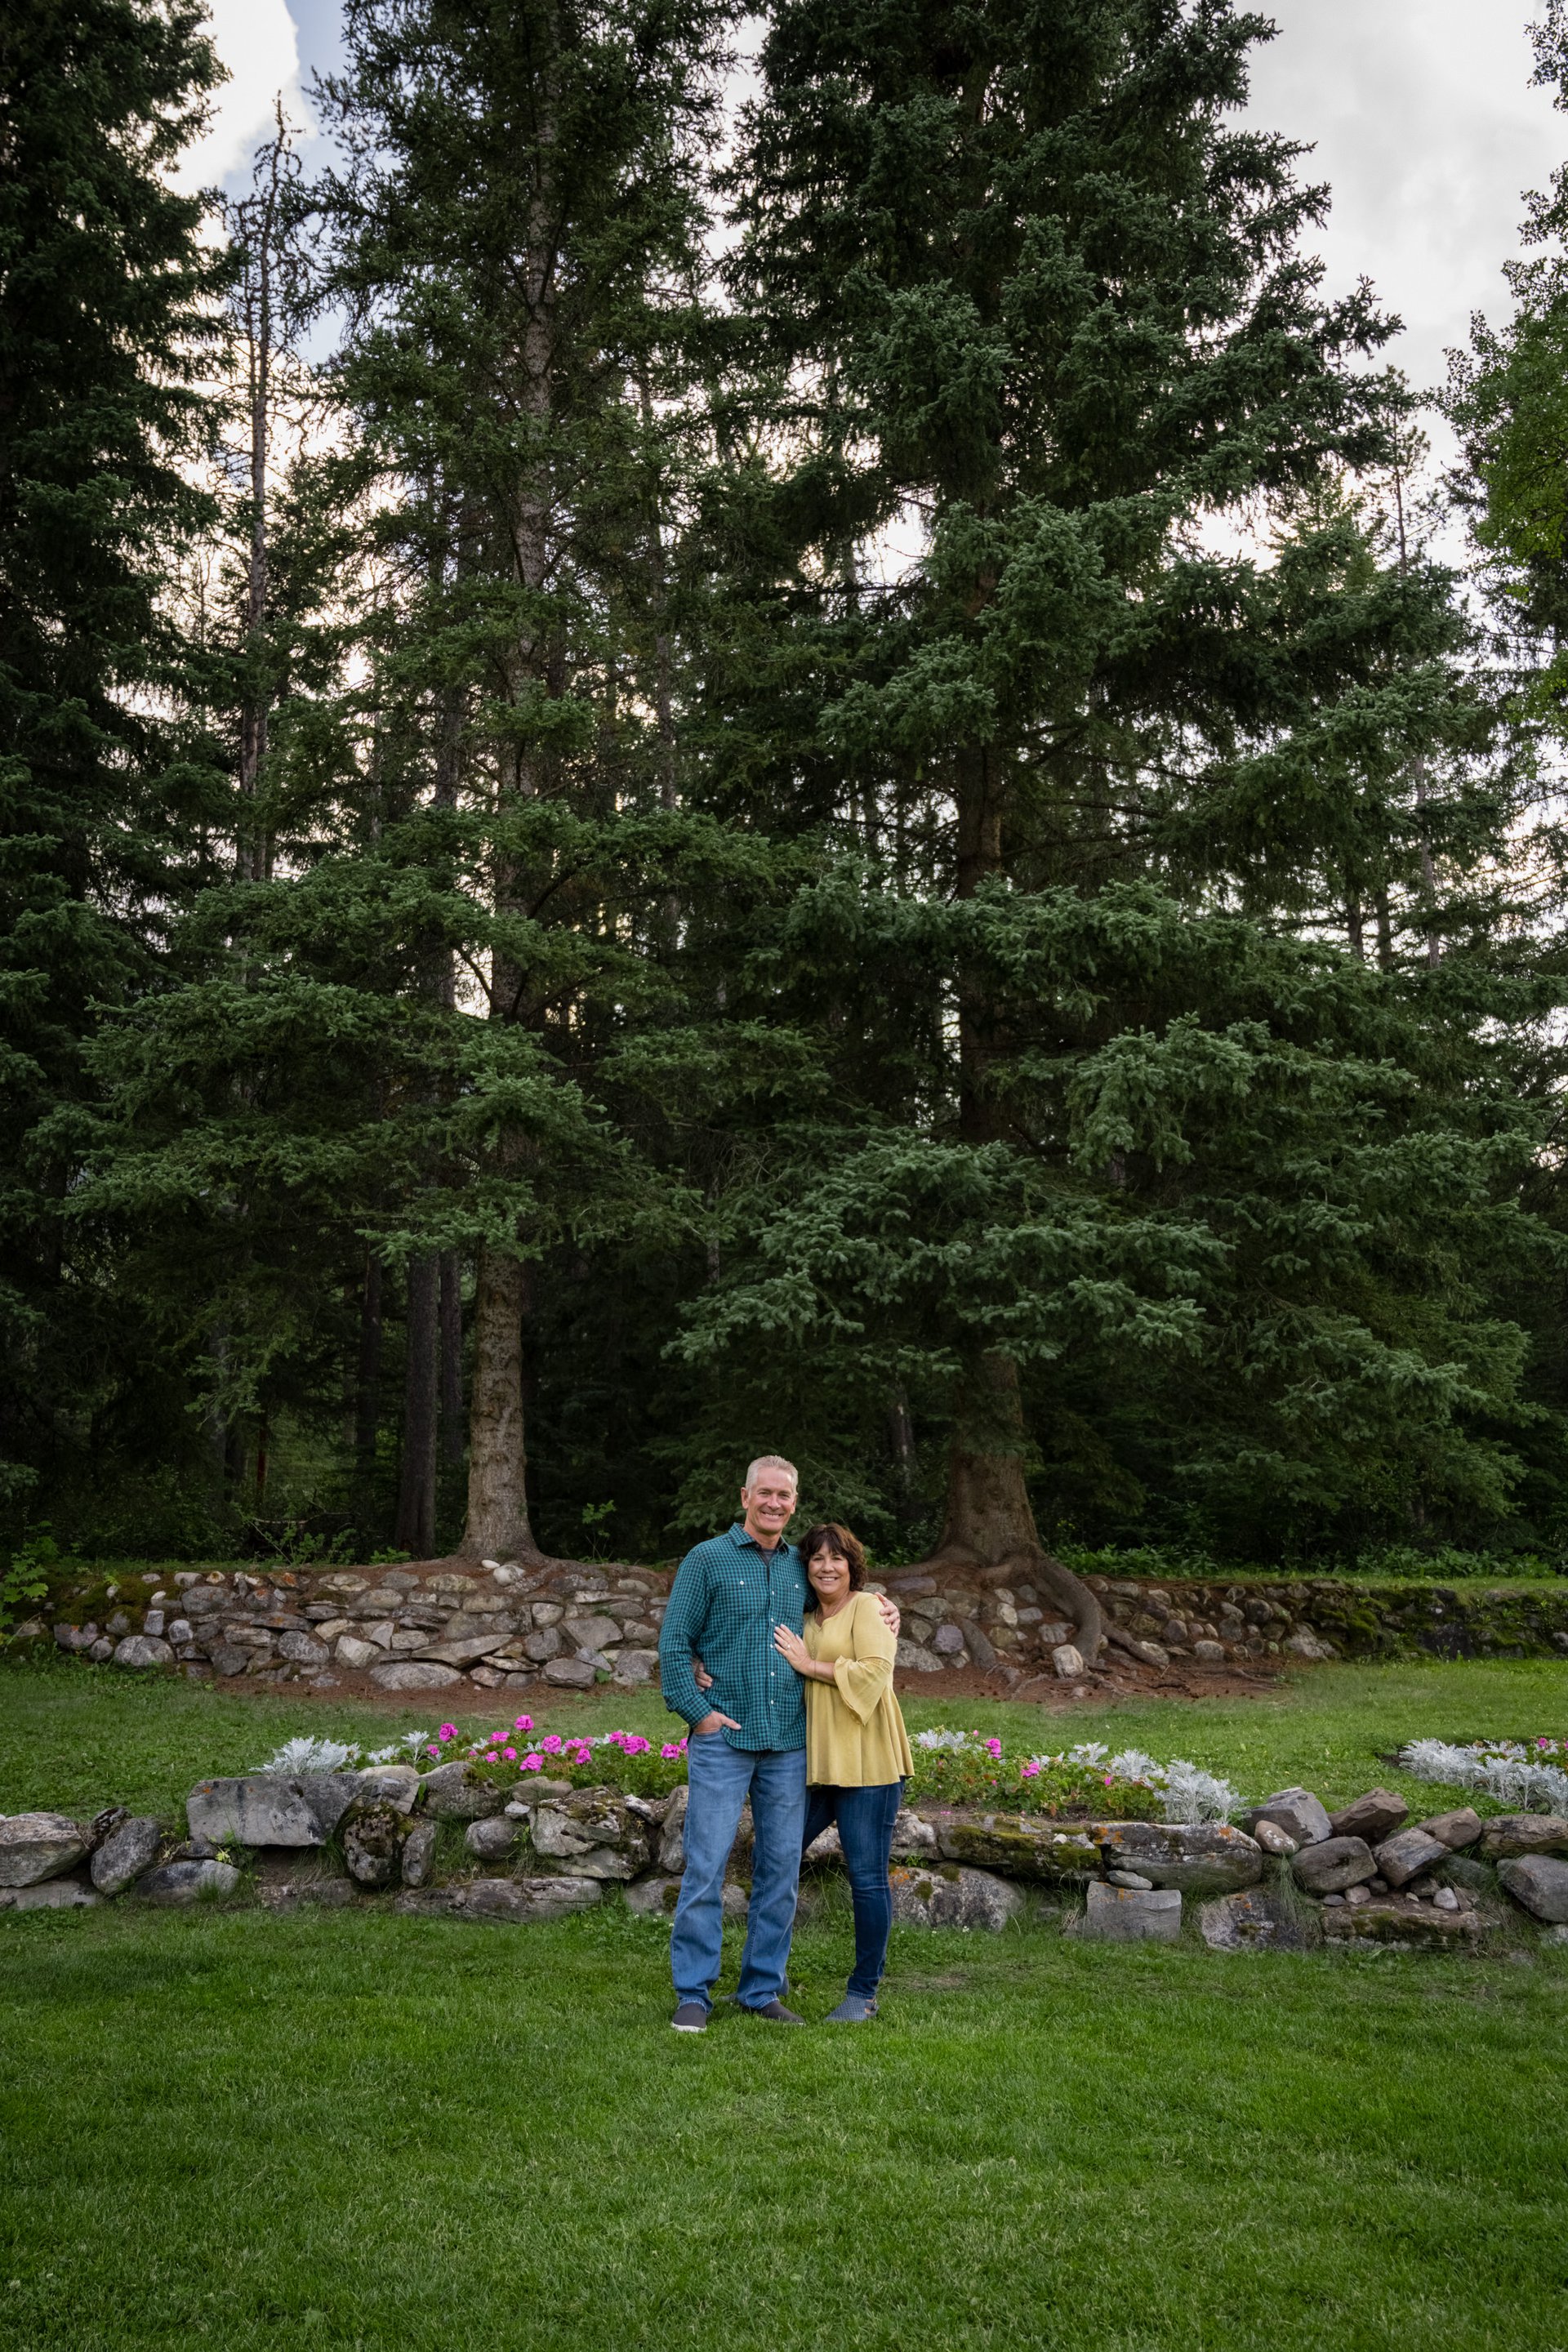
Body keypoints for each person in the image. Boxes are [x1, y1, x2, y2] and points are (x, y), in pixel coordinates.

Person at [657, 1456, 898, 2032]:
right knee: (707, 1865)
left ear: (794, 1502)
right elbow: (672, 1646)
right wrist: (700, 1713)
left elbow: (849, 1599)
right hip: (724, 1738)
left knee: (780, 1870)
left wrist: (889, 1605)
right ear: (745, 1496)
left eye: (783, 1496)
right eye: (764, 1493)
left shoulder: (801, 1565)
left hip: (789, 1743)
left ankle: (762, 1988)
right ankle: (694, 1991)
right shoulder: (706, 1560)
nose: (774, 1503)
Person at [773, 1521, 912, 2023]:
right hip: (821, 1764)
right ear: (805, 1567)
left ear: (853, 1566)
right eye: (817, 1559)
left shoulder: (869, 1608)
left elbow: (876, 1672)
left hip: (869, 1763)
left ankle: (864, 1992)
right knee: (778, 1861)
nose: (827, 1567)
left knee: (867, 1879)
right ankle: (768, 1976)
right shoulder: (805, 1616)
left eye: (838, 1558)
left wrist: (811, 1667)